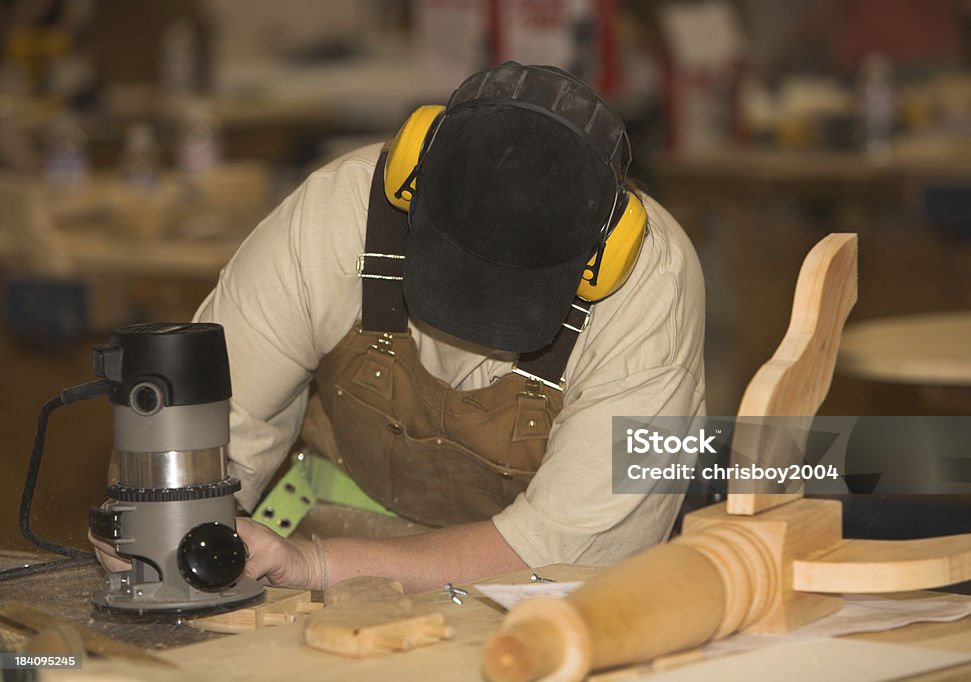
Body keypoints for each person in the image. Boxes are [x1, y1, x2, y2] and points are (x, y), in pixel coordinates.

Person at [95, 62, 706, 592]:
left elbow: (560, 547)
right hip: (338, 531)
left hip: (538, 594)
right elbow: (213, 427)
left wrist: (317, 567)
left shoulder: (651, 290)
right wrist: (160, 513)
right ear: (410, 174)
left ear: (605, 252)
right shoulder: (335, 217)